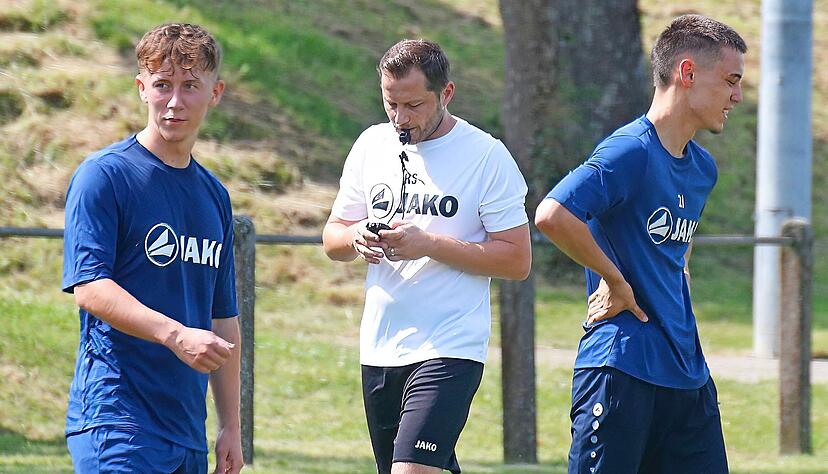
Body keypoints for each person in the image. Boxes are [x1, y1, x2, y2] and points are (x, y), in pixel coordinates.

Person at [535, 14, 746, 474]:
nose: (737, 96)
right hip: (621, 368)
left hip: (688, 374)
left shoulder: (702, 168)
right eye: (730, 80)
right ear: (687, 73)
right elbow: (553, 214)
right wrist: (615, 280)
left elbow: (677, 256)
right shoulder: (629, 151)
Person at [322, 39, 531, 474]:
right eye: (390, 104)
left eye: (414, 105)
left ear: (447, 94)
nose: (400, 119)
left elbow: (516, 260)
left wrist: (429, 244)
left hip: (450, 345)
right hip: (380, 346)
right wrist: (356, 237)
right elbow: (332, 239)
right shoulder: (370, 146)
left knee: (411, 470)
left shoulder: (487, 156)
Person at [62, 23, 243, 474]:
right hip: (117, 422)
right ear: (142, 89)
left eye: (190, 86)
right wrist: (176, 335)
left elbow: (224, 318)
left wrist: (231, 426)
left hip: (186, 434)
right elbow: (90, 287)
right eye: (162, 85)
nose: (175, 102)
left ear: (215, 93)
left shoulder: (214, 196)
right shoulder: (104, 176)